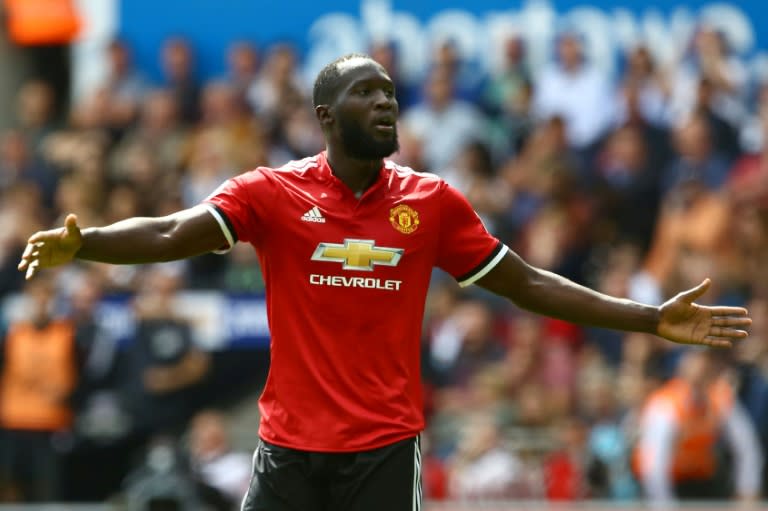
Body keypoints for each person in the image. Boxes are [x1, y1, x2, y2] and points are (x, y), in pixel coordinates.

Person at [17, 53, 751, 511]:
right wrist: (89, 244)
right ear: (327, 117)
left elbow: (527, 284)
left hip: (384, 448)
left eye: (391, 93)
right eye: (368, 93)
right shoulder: (271, 192)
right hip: (290, 446)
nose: (387, 103)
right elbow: (176, 232)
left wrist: (649, 317)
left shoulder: (431, 202)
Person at [633, 349, 763, 504]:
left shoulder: (720, 396)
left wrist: (747, 491)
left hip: (701, 479)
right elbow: (654, 466)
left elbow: (747, 447)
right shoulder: (665, 404)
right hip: (663, 484)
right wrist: (664, 505)